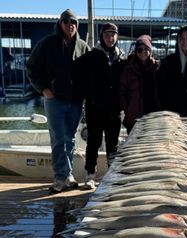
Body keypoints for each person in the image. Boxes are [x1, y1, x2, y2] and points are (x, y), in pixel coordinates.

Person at [26, 9, 90, 194]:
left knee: (69, 139)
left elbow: (90, 74)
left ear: (77, 25)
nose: (70, 25)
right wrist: (44, 89)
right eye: (66, 21)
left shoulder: (83, 47)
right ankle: (59, 177)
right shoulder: (47, 44)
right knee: (58, 138)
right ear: (60, 24)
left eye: (73, 22)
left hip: (76, 101)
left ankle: (68, 174)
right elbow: (31, 67)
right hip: (54, 100)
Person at [74, 23, 126, 190]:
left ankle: (111, 175)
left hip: (114, 110)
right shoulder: (91, 55)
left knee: (113, 144)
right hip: (95, 108)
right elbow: (75, 74)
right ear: (101, 36)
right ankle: (90, 175)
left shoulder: (121, 58)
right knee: (93, 142)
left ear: (117, 37)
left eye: (113, 35)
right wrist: (88, 95)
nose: (110, 38)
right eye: (106, 35)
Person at [120, 35, 160, 134]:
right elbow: (121, 92)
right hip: (134, 118)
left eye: (146, 49)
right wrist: (127, 110)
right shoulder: (128, 70)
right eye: (139, 50)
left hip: (154, 116)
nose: (143, 52)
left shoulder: (157, 68)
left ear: (150, 50)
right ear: (136, 51)